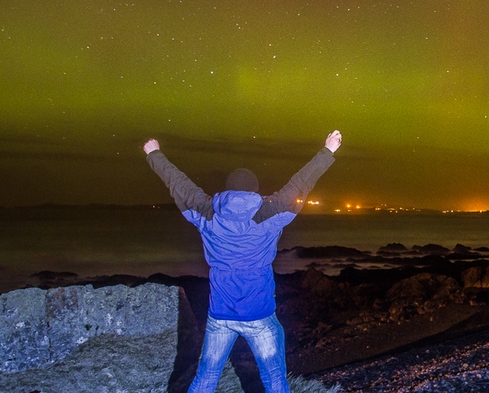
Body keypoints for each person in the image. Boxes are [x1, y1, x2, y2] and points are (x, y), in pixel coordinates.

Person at [142, 130, 343, 393]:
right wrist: (328, 151)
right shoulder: (269, 211)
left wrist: (154, 154)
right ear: (253, 190)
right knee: (274, 381)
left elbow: (179, 184)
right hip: (259, 315)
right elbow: (301, 183)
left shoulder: (207, 212)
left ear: (228, 190)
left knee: (205, 378)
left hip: (220, 315)